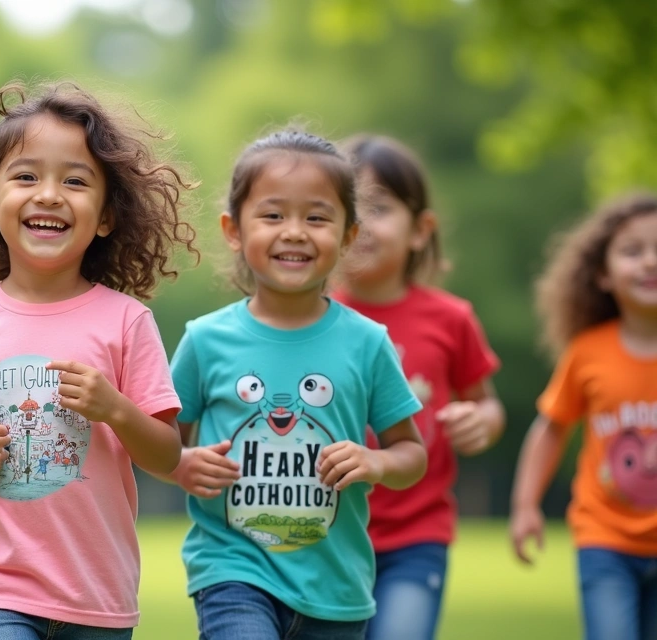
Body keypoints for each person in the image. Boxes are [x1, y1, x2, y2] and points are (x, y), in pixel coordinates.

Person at [0, 80, 197, 640]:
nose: (48, 194)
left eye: (74, 180)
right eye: (26, 177)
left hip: (97, 592)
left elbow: (167, 454)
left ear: (107, 215)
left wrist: (116, 409)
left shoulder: (126, 322)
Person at [166, 129, 427, 640]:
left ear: (348, 236)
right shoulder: (206, 340)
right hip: (232, 569)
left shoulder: (368, 343)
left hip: (335, 588)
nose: (294, 232)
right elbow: (160, 440)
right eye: (272, 215)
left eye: (316, 217)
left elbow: (410, 454)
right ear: (234, 230)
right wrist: (181, 464)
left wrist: (376, 462)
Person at [332, 134, 504, 640]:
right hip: (328, 533)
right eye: (349, 208)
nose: (362, 225)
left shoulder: (451, 319)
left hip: (416, 533)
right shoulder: (312, 319)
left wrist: (481, 424)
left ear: (420, 229)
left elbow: (487, 405)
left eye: (379, 208)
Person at [510, 192, 657, 640]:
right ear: (602, 274)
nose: (650, 262)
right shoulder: (588, 352)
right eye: (633, 251)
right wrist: (525, 505)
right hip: (604, 537)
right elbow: (551, 428)